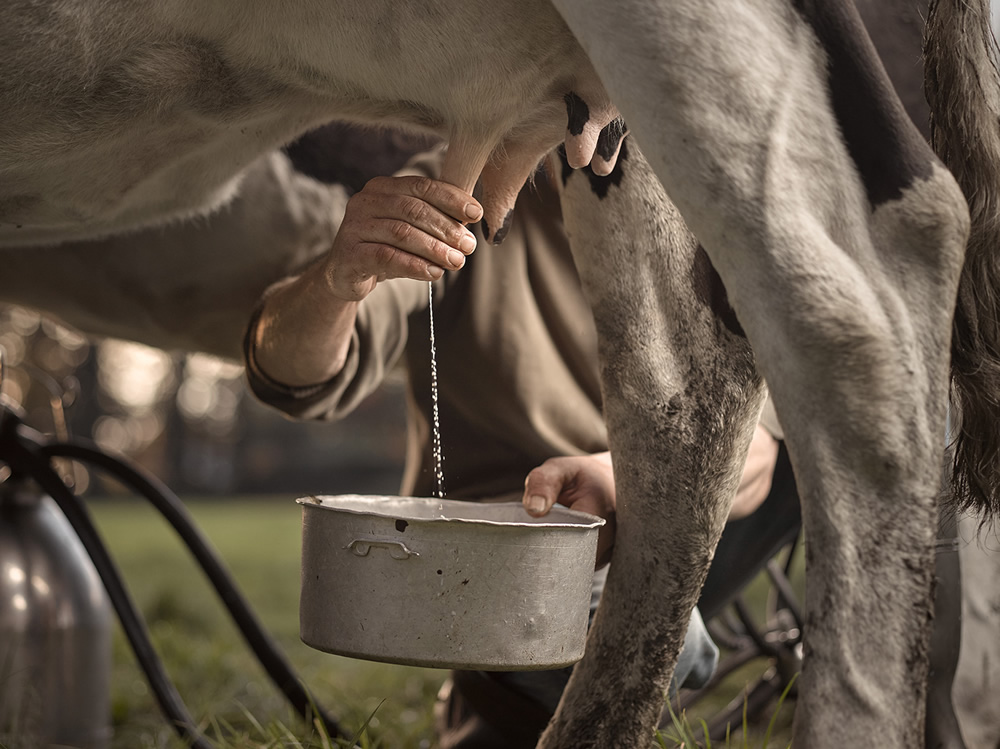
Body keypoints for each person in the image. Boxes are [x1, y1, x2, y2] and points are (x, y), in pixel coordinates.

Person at [244, 137, 793, 747]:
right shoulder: (467, 187)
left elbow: (764, 445)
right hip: (504, 559)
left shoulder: (722, 204)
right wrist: (336, 280)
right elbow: (294, 375)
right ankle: (500, 704)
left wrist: (626, 480)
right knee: (610, 652)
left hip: (691, 522)